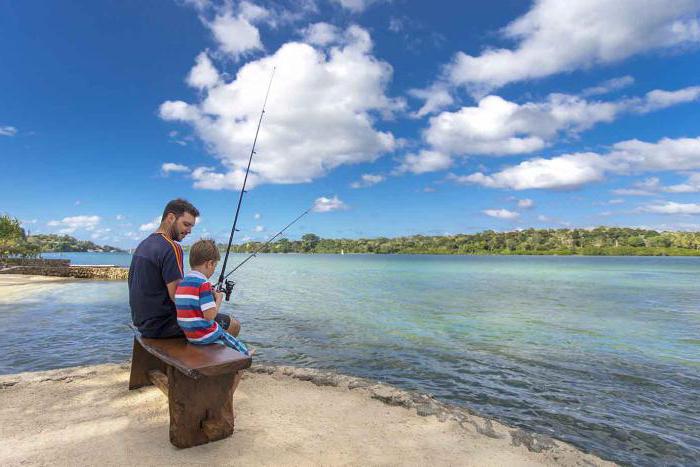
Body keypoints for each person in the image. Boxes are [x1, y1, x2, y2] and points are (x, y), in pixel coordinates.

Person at [128, 198, 239, 338]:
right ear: (170, 218)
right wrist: (213, 298)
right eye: (186, 224)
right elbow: (177, 296)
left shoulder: (143, 245)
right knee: (233, 325)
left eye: (191, 226)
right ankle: (207, 359)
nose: (189, 231)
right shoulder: (172, 247)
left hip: (142, 323)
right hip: (164, 325)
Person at [175, 239, 251, 355]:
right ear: (209, 263)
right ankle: (245, 355)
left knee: (221, 341)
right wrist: (219, 299)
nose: (214, 270)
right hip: (203, 335)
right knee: (227, 337)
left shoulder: (183, 282)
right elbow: (210, 316)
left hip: (190, 335)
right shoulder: (204, 284)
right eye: (214, 266)